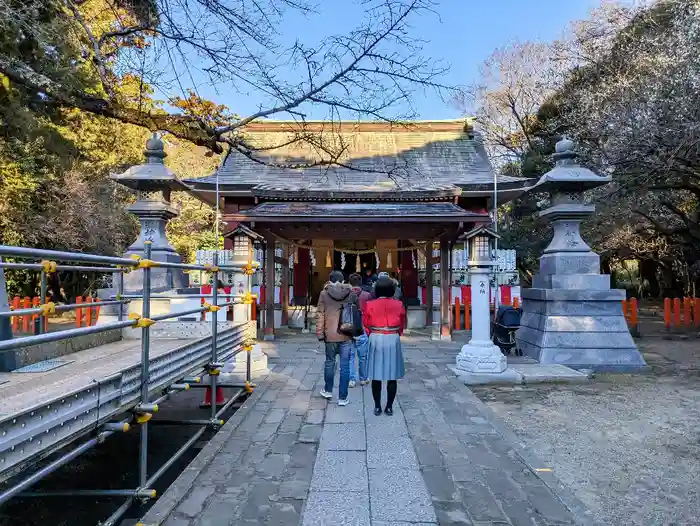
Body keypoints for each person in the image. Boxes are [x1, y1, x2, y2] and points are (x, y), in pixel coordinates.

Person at [363, 276, 406, 416]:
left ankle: (377, 406)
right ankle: (389, 406)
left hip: (376, 336)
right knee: (391, 375)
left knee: (376, 375)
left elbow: (366, 323)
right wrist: (397, 333)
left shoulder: (369, 304)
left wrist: (371, 333)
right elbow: (402, 321)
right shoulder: (398, 304)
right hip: (393, 337)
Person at [316, 270, 356, 406]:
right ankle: (342, 398)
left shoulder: (324, 294)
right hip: (346, 333)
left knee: (330, 362)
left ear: (330, 280)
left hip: (330, 334)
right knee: (345, 366)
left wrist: (320, 333)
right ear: (343, 281)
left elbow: (320, 314)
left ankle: (328, 390)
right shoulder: (350, 293)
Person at [348, 273, 371, 387]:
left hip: (348, 329)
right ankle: (363, 378)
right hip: (362, 328)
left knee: (350, 356)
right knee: (363, 356)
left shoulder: (345, 295)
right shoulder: (367, 295)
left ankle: (351, 379)